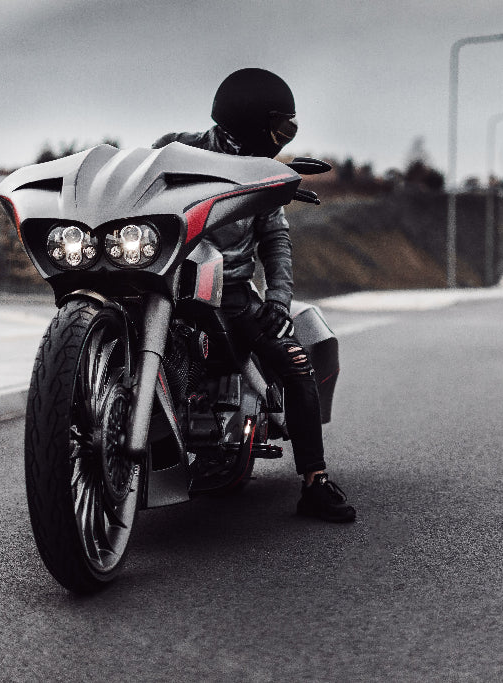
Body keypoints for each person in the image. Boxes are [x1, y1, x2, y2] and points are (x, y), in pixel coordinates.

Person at [153, 67, 356, 523]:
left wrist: (279, 300)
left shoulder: (264, 173)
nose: (283, 136)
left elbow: (275, 240)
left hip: (232, 292)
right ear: (250, 119)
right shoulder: (174, 150)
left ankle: (314, 482)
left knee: (296, 363)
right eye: (280, 125)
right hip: (171, 282)